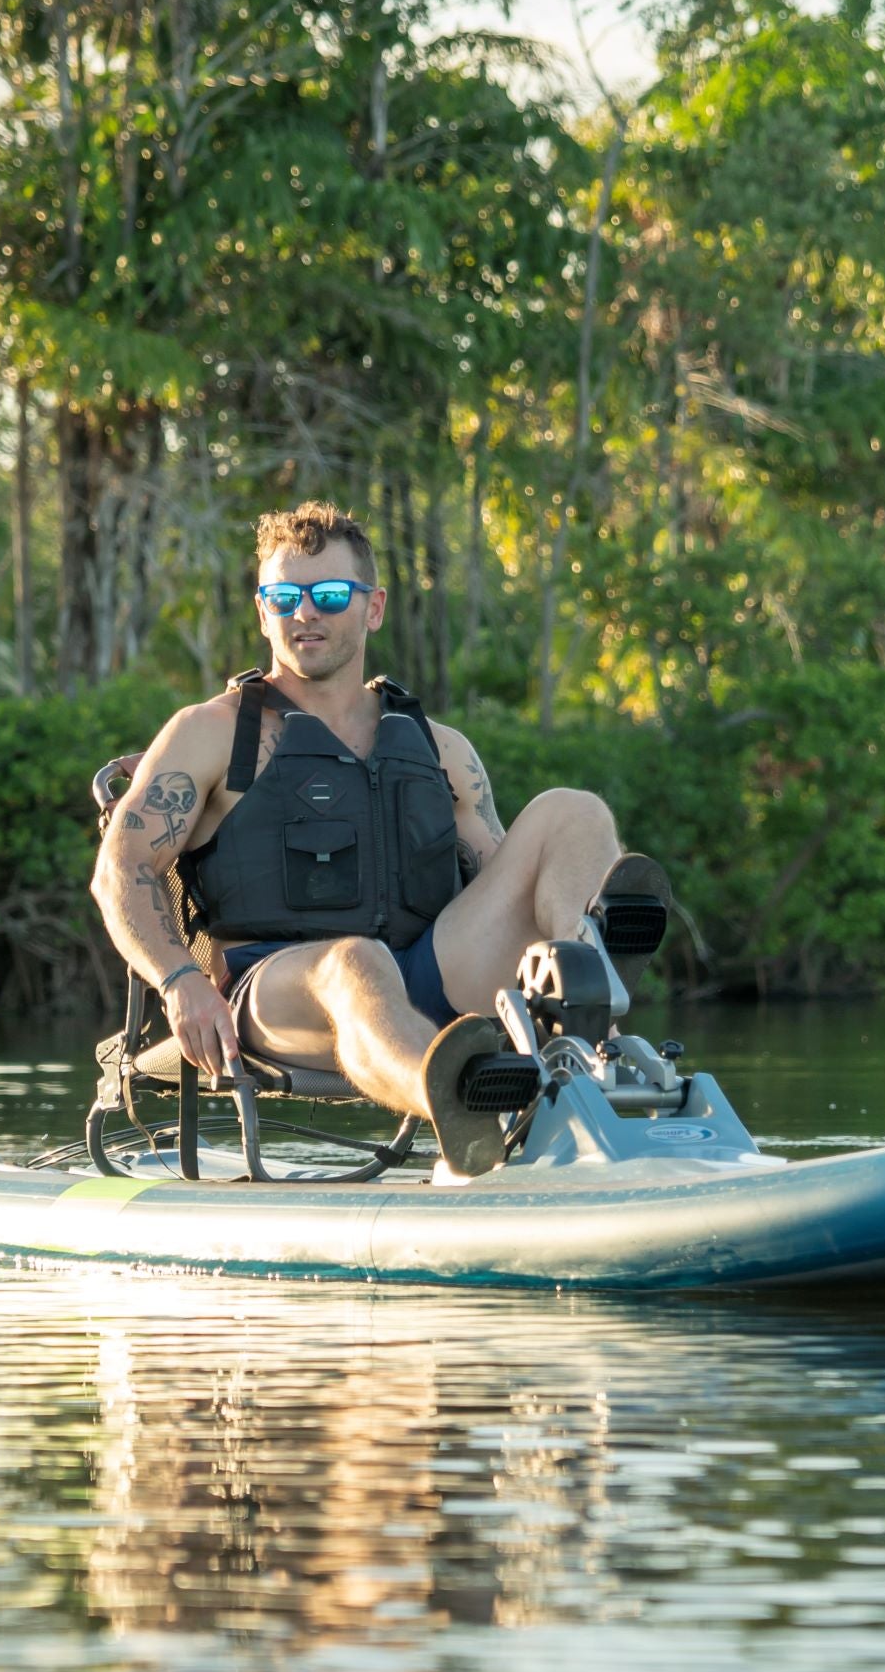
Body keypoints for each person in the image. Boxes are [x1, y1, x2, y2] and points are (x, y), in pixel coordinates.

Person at [91, 501, 670, 1174]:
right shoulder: (210, 733)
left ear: (373, 608)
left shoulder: (439, 749)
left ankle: (586, 1002)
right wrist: (180, 982)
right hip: (275, 991)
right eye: (284, 598)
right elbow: (120, 870)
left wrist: (552, 931)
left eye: (331, 595)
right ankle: (462, 1100)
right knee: (355, 963)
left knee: (574, 811)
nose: (305, 613)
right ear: (263, 613)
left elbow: (501, 889)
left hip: (428, 969)